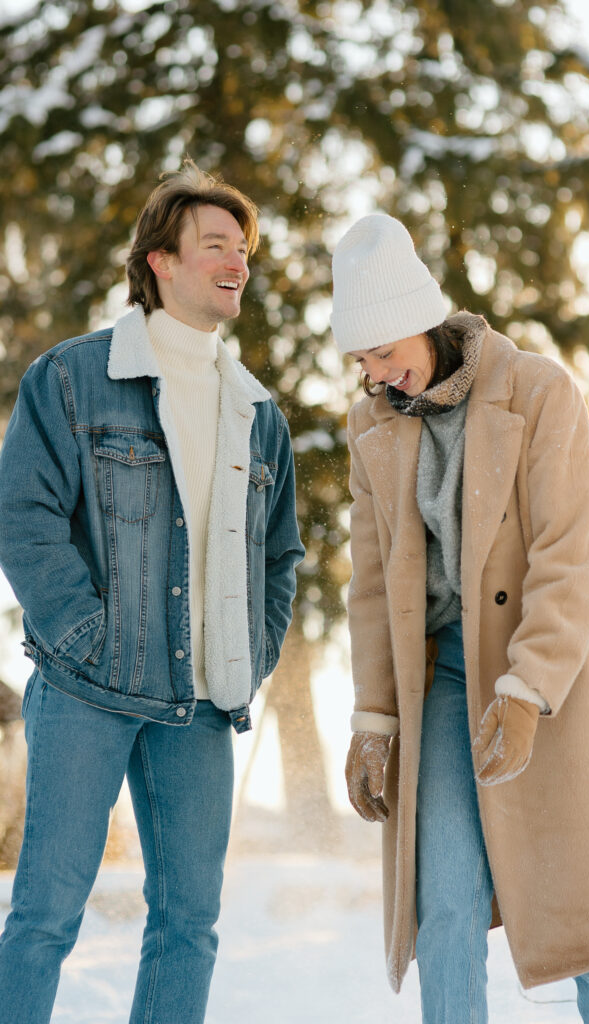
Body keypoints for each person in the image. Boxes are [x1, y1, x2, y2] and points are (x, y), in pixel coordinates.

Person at [330, 213, 589, 1023]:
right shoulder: (372, 425)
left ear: (422, 318)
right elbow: (373, 584)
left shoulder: (539, 390)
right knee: (444, 904)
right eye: (361, 360)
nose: (378, 374)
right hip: (443, 676)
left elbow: (568, 553)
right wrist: (373, 716)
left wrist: (525, 689)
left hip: (550, 676)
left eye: (385, 351)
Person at [0, 160, 304, 1024]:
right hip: (88, 690)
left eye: (243, 248)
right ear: (159, 261)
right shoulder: (72, 379)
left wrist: (250, 651)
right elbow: (21, 514)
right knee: (45, 917)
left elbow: (279, 555)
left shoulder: (258, 413)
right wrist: (85, 633)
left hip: (203, 705)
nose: (237, 261)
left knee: (188, 924)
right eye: (215, 244)